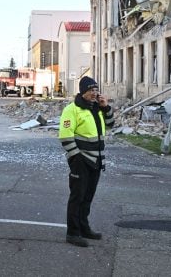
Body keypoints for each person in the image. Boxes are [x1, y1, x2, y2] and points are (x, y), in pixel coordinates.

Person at [58, 76, 114, 248]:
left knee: (88, 197)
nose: (94, 93)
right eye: (91, 90)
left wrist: (106, 108)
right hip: (81, 161)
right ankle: (73, 233)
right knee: (77, 197)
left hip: (96, 160)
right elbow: (65, 136)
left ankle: (84, 228)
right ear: (83, 91)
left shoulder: (96, 108)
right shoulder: (72, 109)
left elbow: (110, 125)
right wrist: (76, 158)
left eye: (96, 90)